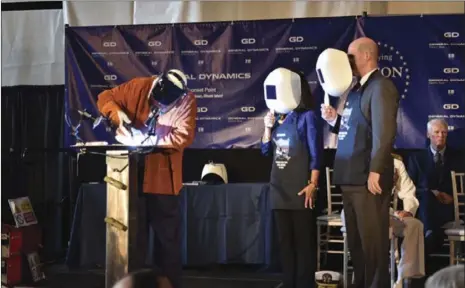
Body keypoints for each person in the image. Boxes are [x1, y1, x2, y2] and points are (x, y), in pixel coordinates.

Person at [97, 69, 197, 288]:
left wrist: (151, 140)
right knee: (134, 240)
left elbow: (184, 135)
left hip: (162, 179)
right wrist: (118, 115)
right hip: (131, 174)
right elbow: (105, 98)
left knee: (167, 243)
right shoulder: (140, 86)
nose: (158, 108)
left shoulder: (186, 100)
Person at [321, 37, 399, 288]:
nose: (348, 62)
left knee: (373, 246)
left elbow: (383, 133)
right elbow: (355, 128)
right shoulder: (356, 89)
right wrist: (335, 119)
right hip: (349, 178)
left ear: (367, 56)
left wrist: (376, 170)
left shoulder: (381, 87)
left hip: (368, 180)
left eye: (351, 56)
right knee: (357, 246)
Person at [261, 67, 323, 288]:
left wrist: (313, 184)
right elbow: (266, 151)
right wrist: (267, 129)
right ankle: (288, 282)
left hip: (300, 188)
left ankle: (304, 283)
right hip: (278, 188)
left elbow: (317, 154)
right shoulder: (277, 118)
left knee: (303, 242)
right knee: (284, 242)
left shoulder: (307, 117)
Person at [341, 153, 425, 288]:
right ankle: (367, 277)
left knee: (414, 224)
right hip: (357, 212)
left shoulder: (395, 163)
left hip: (384, 211)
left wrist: (408, 210)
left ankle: (404, 279)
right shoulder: (356, 160)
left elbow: (408, 191)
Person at [407, 118, 463, 274]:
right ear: (428, 134)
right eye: (437, 132)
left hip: (449, 209)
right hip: (425, 210)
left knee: (428, 227)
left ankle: (427, 242)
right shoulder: (416, 159)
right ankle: (431, 234)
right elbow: (409, 189)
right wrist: (432, 193)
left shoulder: (459, 157)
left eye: (444, 133)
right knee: (425, 195)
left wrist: (454, 198)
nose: (441, 136)